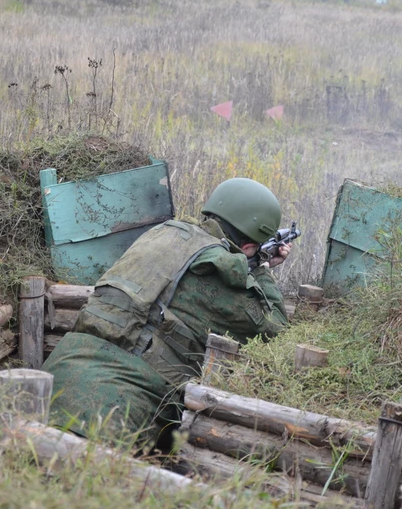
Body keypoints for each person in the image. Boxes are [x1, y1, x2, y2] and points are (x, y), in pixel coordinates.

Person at [42, 177, 292, 449]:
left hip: (54, 375)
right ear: (246, 247)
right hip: (114, 408)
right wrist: (261, 269)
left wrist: (253, 260)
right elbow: (275, 327)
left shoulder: (164, 232)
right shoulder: (220, 271)